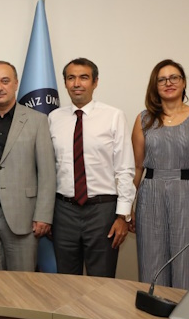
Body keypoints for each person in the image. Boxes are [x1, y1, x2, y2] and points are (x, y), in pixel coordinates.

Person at [131, 59, 189, 290]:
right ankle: (154, 311)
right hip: (151, 196)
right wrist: (128, 206)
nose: (168, 83)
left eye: (174, 78)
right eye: (162, 79)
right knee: (152, 264)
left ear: (184, 82)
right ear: (155, 85)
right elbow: (137, 167)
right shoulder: (143, 119)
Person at [50, 58, 135, 277]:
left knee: (102, 282)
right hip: (63, 212)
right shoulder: (53, 118)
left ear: (95, 82)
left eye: (84, 77)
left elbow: (125, 169)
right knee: (66, 282)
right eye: (71, 78)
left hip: (102, 212)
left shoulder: (114, 116)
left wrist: (122, 216)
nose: (77, 83)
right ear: (65, 83)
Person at [0, 61, 55, 271]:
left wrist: (43, 215)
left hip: (24, 218)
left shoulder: (37, 120)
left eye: (5, 81)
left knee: (23, 284)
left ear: (16, 83)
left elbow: (47, 173)